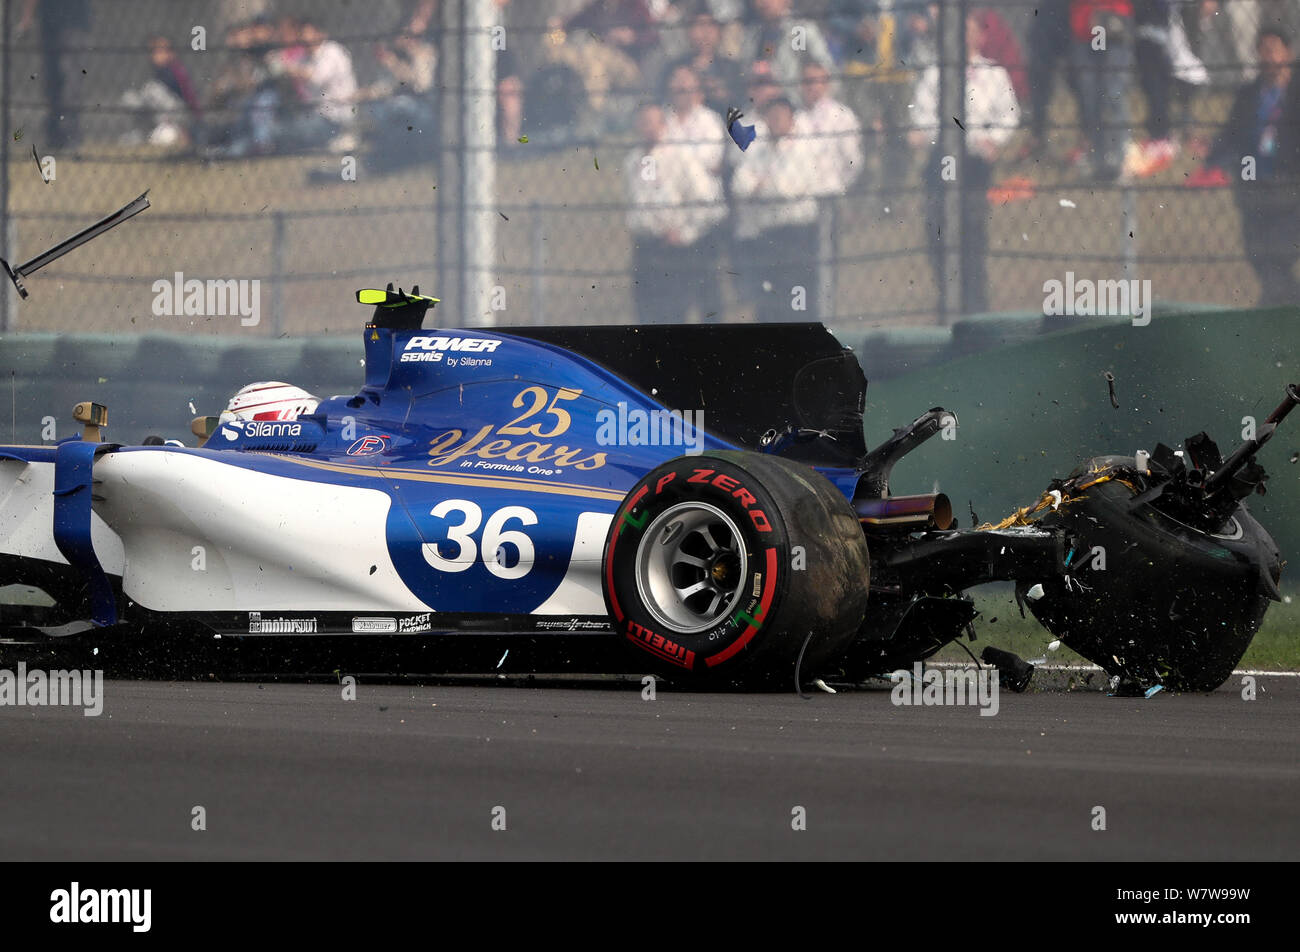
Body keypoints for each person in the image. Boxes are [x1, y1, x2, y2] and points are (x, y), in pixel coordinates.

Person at [912, 11, 1019, 315]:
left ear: (981, 36)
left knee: (972, 232)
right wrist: (940, 137)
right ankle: (947, 299)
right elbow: (922, 113)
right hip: (940, 161)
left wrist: (993, 140)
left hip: (974, 165)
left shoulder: (994, 74)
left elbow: (1009, 114)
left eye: (972, 31)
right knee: (938, 231)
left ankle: (975, 304)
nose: (966, 38)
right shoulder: (936, 73)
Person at [1199, 27, 1300, 305]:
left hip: (1290, 187)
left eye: (1273, 49)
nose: (1267, 56)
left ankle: (1276, 304)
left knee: (1278, 254)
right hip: (1254, 187)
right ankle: (1282, 303)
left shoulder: (1295, 93)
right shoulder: (1248, 94)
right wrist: (1212, 158)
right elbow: (1231, 133)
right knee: (1256, 251)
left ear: (1287, 52)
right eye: (1262, 50)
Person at [625, 102, 727, 323]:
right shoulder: (632, 161)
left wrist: (686, 232)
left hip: (676, 248)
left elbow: (708, 202)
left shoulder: (681, 156)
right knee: (646, 314)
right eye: (643, 123)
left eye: (653, 122)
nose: (648, 128)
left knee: (674, 314)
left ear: (663, 124)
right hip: (645, 247)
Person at [730, 96, 826, 322]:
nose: (776, 121)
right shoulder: (758, 150)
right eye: (771, 117)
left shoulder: (803, 149)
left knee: (799, 291)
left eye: (781, 116)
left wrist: (761, 185)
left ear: (792, 119)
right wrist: (765, 186)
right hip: (768, 234)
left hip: (798, 232)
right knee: (769, 294)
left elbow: (787, 189)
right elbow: (739, 184)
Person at [1068, 0, 1135, 181]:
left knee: (1113, 95)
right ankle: (1098, 161)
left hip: (1113, 23)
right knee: (1091, 100)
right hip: (1084, 28)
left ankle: (1120, 159)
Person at [793, 61, 864, 195]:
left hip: (834, 190)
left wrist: (840, 185)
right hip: (804, 193)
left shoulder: (842, 116)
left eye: (815, 81)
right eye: (806, 82)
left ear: (826, 84)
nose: (811, 87)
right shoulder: (795, 118)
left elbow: (852, 160)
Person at [119, 36, 203, 147]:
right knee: (130, 98)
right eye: (153, 51)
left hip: (180, 117)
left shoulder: (176, 70)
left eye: (160, 51)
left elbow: (190, 98)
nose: (155, 55)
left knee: (152, 89)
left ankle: (171, 132)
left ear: (171, 53)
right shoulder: (157, 70)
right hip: (158, 119)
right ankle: (144, 132)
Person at [660, 10, 744, 118]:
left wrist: (722, 94)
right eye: (699, 26)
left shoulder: (732, 68)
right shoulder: (674, 67)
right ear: (688, 32)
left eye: (711, 26)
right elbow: (664, 101)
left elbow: (740, 105)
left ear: (719, 32)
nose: (705, 32)